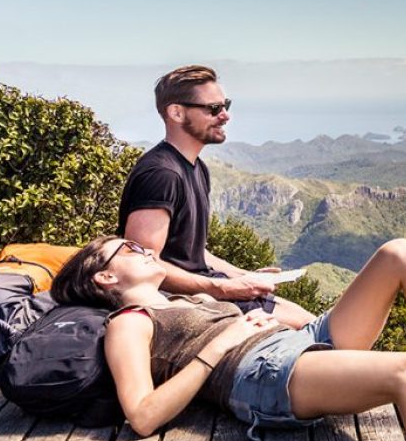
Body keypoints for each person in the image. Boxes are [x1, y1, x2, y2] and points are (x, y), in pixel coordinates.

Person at [50, 235, 406, 441]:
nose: (142, 249)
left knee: (398, 253)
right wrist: (221, 340)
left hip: (296, 344)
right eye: (128, 249)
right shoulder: (131, 322)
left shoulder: (180, 297)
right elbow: (141, 415)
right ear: (105, 281)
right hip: (259, 375)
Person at [117, 65, 314, 328]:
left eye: (226, 105)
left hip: (207, 289)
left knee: (321, 324)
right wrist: (223, 288)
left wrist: (242, 276)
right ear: (176, 112)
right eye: (213, 109)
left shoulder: (197, 168)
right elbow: (142, 264)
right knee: (319, 330)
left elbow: (192, 252)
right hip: (187, 301)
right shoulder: (162, 174)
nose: (225, 116)